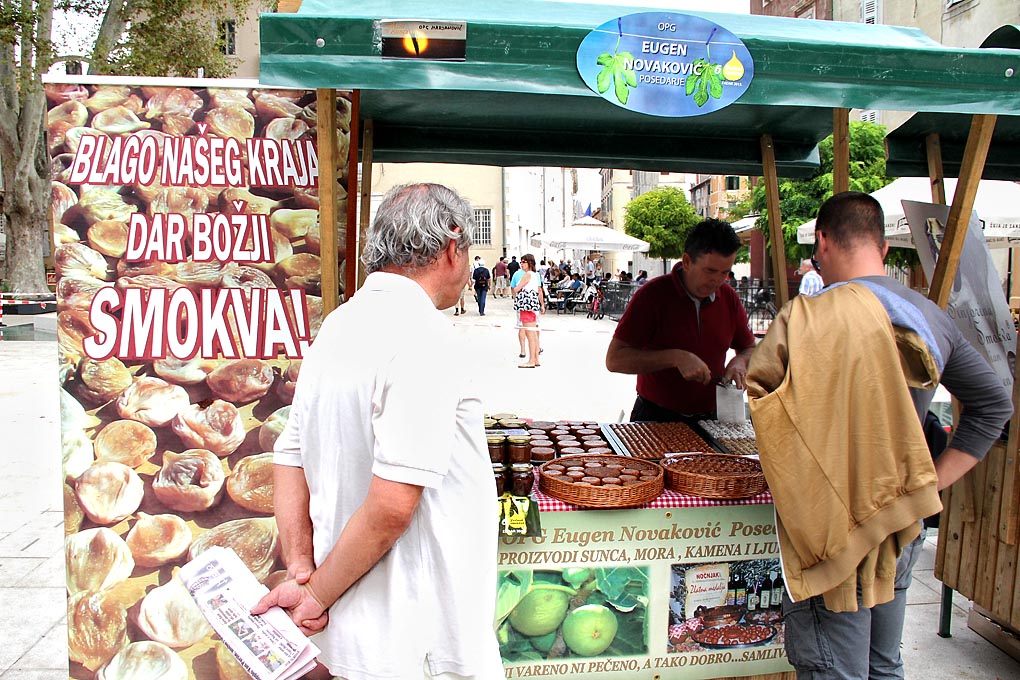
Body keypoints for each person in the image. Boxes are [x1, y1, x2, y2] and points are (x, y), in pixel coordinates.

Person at [746, 191, 1012, 680]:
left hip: (832, 526)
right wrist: (927, 484)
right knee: (883, 665)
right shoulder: (929, 316)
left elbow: (762, 401)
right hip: (901, 519)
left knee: (835, 669)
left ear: (822, 242)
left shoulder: (806, 319)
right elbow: (995, 406)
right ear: (884, 248)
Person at [252, 183, 503, 680]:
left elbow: (289, 455)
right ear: (452, 246)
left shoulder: (339, 325)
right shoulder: (424, 335)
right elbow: (392, 505)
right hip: (418, 637)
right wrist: (314, 591)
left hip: (356, 631)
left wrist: (302, 567)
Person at [605, 218, 756, 421]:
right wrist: (675, 358)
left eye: (725, 273)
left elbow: (749, 347)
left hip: (710, 417)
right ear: (687, 261)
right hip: (655, 416)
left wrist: (740, 362)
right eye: (710, 271)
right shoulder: (652, 296)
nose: (717, 280)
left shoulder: (729, 297)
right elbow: (614, 360)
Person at [511, 253, 545, 368]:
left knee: (529, 333)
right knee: (533, 333)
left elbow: (516, 288)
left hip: (526, 305)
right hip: (532, 304)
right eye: (521, 262)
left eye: (524, 262)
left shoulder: (527, 275)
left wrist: (517, 290)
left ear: (529, 263)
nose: (521, 264)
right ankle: (536, 359)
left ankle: (531, 360)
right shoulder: (535, 275)